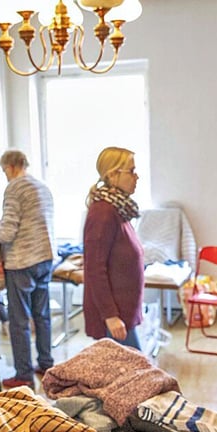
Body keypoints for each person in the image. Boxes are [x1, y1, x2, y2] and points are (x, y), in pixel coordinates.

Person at [0, 150, 56, 389]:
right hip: (45, 257)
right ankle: (46, 363)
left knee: (19, 320)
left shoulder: (15, 188)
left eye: (3, 171)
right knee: (42, 315)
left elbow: (8, 230)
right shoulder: (43, 188)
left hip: (22, 261)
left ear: (11, 166)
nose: (5, 176)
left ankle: (23, 374)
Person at [82, 146, 144, 350]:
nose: (137, 177)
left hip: (123, 313)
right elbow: (94, 269)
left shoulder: (118, 209)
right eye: (132, 171)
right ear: (113, 175)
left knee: (135, 375)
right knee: (136, 377)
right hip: (114, 319)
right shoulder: (103, 213)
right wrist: (110, 315)